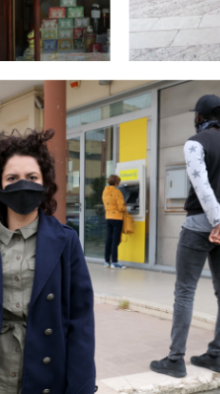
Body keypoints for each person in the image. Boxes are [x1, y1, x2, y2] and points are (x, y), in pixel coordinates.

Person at [151, 95, 220, 378]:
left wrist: (219, 222)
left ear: (200, 116)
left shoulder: (195, 143)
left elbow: (201, 184)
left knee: (185, 291)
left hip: (198, 226)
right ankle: (216, 356)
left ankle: (175, 359)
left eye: (195, 114)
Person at [0, 130, 95, 394]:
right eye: (12, 178)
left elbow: (81, 321)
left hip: (45, 369)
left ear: (44, 184)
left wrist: (81, 387)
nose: (22, 184)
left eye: (31, 177)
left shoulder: (66, 242)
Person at [102, 174, 127, 270]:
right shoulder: (117, 192)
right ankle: (114, 262)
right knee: (115, 240)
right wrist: (124, 206)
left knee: (109, 239)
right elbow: (121, 207)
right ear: (116, 183)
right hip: (117, 218)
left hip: (108, 217)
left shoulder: (105, 191)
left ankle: (106, 261)